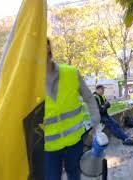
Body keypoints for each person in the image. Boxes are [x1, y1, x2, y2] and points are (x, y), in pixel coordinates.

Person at [44, 39, 101, 180]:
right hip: (48, 146)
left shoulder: (71, 73)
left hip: (75, 141)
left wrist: (95, 120)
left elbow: (89, 97)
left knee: (74, 175)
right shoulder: (29, 82)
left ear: (49, 48)